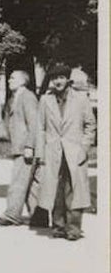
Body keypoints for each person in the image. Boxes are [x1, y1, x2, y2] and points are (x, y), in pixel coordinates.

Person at [33, 62, 96, 240]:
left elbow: (90, 125)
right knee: (55, 189)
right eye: (54, 78)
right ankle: (59, 226)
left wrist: (84, 148)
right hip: (53, 152)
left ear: (68, 79)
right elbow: (40, 128)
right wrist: (41, 153)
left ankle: (73, 228)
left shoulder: (81, 99)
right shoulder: (46, 100)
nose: (57, 81)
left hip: (75, 152)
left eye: (61, 77)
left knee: (74, 190)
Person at [0, 70, 40, 226]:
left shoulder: (27, 97)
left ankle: (11, 215)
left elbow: (34, 124)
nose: (9, 80)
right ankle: (39, 217)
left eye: (12, 78)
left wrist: (29, 146)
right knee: (31, 184)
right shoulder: (17, 97)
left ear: (22, 81)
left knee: (18, 181)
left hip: (25, 147)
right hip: (22, 147)